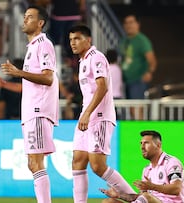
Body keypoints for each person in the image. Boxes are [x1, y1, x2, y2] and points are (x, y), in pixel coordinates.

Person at [0, 5, 59, 203]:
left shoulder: (44, 44)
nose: (25, 20)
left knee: (36, 161)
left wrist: (18, 73)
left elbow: (48, 78)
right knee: (32, 163)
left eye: (30, 17)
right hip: (31, 112)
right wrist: (5, 83)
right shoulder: (32, 47)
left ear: (40, 23)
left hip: (39, 110)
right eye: (25, 17)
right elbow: (31, 85)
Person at [68, 25, 135, 203]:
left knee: (97, 166)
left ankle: (136, 200)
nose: (72, 43)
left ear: (88, 40)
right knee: (78, 160)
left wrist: (87, 113)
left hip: (99, 117)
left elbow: (102, 87)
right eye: (70, 39)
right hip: (87, 116)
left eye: (77, 39)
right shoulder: (82, 61)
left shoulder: (96, 57)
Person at [100, 130, 184, 203]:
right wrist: (119, 195)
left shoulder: (171, 162)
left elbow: (176, 189)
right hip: (151, 200)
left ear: (158, 145)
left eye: (146, 143)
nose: (142, 147)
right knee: (108, 202)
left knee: (147, 196)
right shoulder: (147, 170)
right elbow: (141, 198)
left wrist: (152, 187)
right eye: (141, 143)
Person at [119, 14, 157, 120]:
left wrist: (149, 72)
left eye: (131, 22)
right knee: (131, 109)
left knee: (137, 108)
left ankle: (141, 132)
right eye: (126, 23)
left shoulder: (142, 40)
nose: (128, 25)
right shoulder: (124, 41)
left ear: (137, 24)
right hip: (126, 81)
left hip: (138, 80)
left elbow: (152, 60)